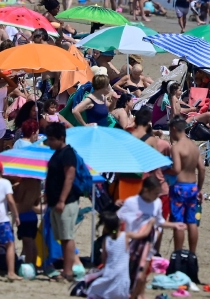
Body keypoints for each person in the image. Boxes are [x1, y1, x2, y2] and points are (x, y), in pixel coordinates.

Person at [44, 122, 79, 282]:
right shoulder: (57, 153)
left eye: (51, 139)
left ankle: (68, 272)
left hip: (65, 202)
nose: (49, 142)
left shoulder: (68, 154)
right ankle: (65, 270)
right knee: (62, 237)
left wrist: (61, 200)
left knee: (67, 237)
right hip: (55, 202)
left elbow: (69, 178)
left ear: (61, 138)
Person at [170, 115, 205, 253]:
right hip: (192, 187)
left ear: (173, 129)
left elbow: (177, 169)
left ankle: (178, 253)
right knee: (191, 222)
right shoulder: (194, 147)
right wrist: (199, 188)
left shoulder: (176, 147)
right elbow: (201, 168)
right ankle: (192, 253)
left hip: (179, 187)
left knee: (178, 222)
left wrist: (166, 169)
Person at [86, 211, 131, 299]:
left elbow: (104, 261)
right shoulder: (125, 237)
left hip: (110, 276)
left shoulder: (105, 241)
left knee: (94, 291)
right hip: (123, 279)